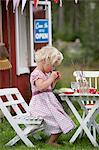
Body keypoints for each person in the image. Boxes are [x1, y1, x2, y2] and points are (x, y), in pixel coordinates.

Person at [29, 46, 75, 146]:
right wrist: (51, 78)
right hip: (39, 106)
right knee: (57, 120)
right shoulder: (36, 74)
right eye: (53, 66)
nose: (53, 69)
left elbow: (49, 88)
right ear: (45, 61)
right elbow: (41, 87)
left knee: (61, 117)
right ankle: (51, 142)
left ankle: (52, 141)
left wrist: (54, 80)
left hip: (47, 103)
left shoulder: (45, 73)